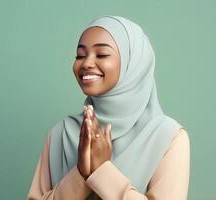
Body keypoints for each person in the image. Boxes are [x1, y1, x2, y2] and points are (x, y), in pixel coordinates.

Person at [27, 15, 190, 200]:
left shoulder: (168, 137)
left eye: (102, 54)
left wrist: (102, 172)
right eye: (80, 55)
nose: (86, 63)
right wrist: (80, 173)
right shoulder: (61, 133)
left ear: (132, 64)